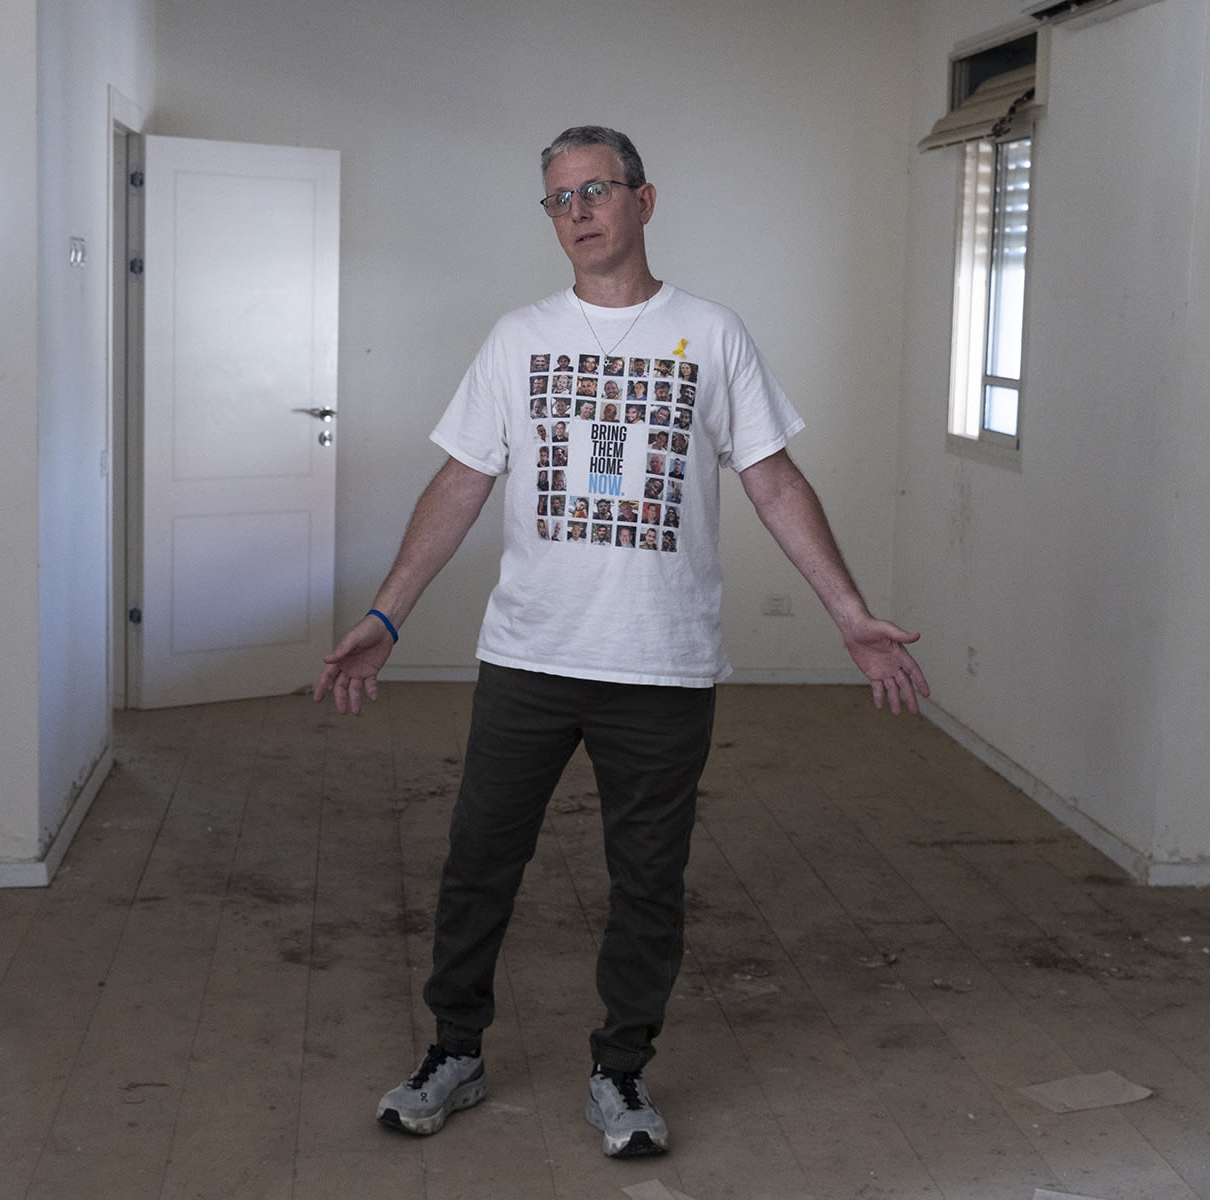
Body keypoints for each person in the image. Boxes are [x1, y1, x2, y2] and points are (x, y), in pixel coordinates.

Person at [313, 125, 928, 1160]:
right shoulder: (518, 339)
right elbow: (461, 481)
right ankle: (454, 1051)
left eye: (598, 189)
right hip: (531, 657)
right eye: (559, 198)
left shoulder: (713, 334)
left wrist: (847, 610)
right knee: (477, 864)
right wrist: (386, 616)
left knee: (648, 880)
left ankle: (621, 1071)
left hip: (663, 662)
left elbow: (772, 478)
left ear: (646, 200)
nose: (580, 210)